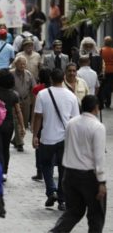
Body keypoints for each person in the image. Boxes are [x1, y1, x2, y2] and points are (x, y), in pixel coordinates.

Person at [49, 95, 107, 233]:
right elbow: (99, 157)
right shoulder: (97, 127)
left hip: (69, 174)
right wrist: (102, 182)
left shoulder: (71, 123)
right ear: (96, 108)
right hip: (88, 176)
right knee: (96, 215)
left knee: (73, 211)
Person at [33, 69, 80, 211]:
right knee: (63, 169)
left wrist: (35, 135)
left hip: (47, 137)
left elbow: (38, 116)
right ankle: (62, 199)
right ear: (63, 78)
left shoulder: (42, 94)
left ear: (51, 79)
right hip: (65, 138)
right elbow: (75, 119)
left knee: (46, 165)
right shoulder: (71, 96)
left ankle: (51, 191)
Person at [10, 55, 35, 152]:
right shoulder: (11, 73)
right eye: (20, 63)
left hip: (26, 100)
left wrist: (33, 101)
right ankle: (20, 143)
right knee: (17, 121)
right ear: (16, 64)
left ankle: (15, 140)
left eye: (24, 64)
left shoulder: (29, 74)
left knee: (24, 122)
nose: (22, 65)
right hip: (14, 101)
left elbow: (33, 88)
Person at [30, 68, 52, 181]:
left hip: (41, 119)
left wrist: (32, 121)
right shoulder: (55, 89)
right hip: (52, 120)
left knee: (38, 146)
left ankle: (40, 171)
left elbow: (35, 107)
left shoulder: (37, 89)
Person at [101, 36, 113, 108]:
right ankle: (108, 102)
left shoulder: (101, 50)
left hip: (103, 70)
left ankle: (103, 99)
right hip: (111, 71)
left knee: (103, 86)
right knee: (109, 86)